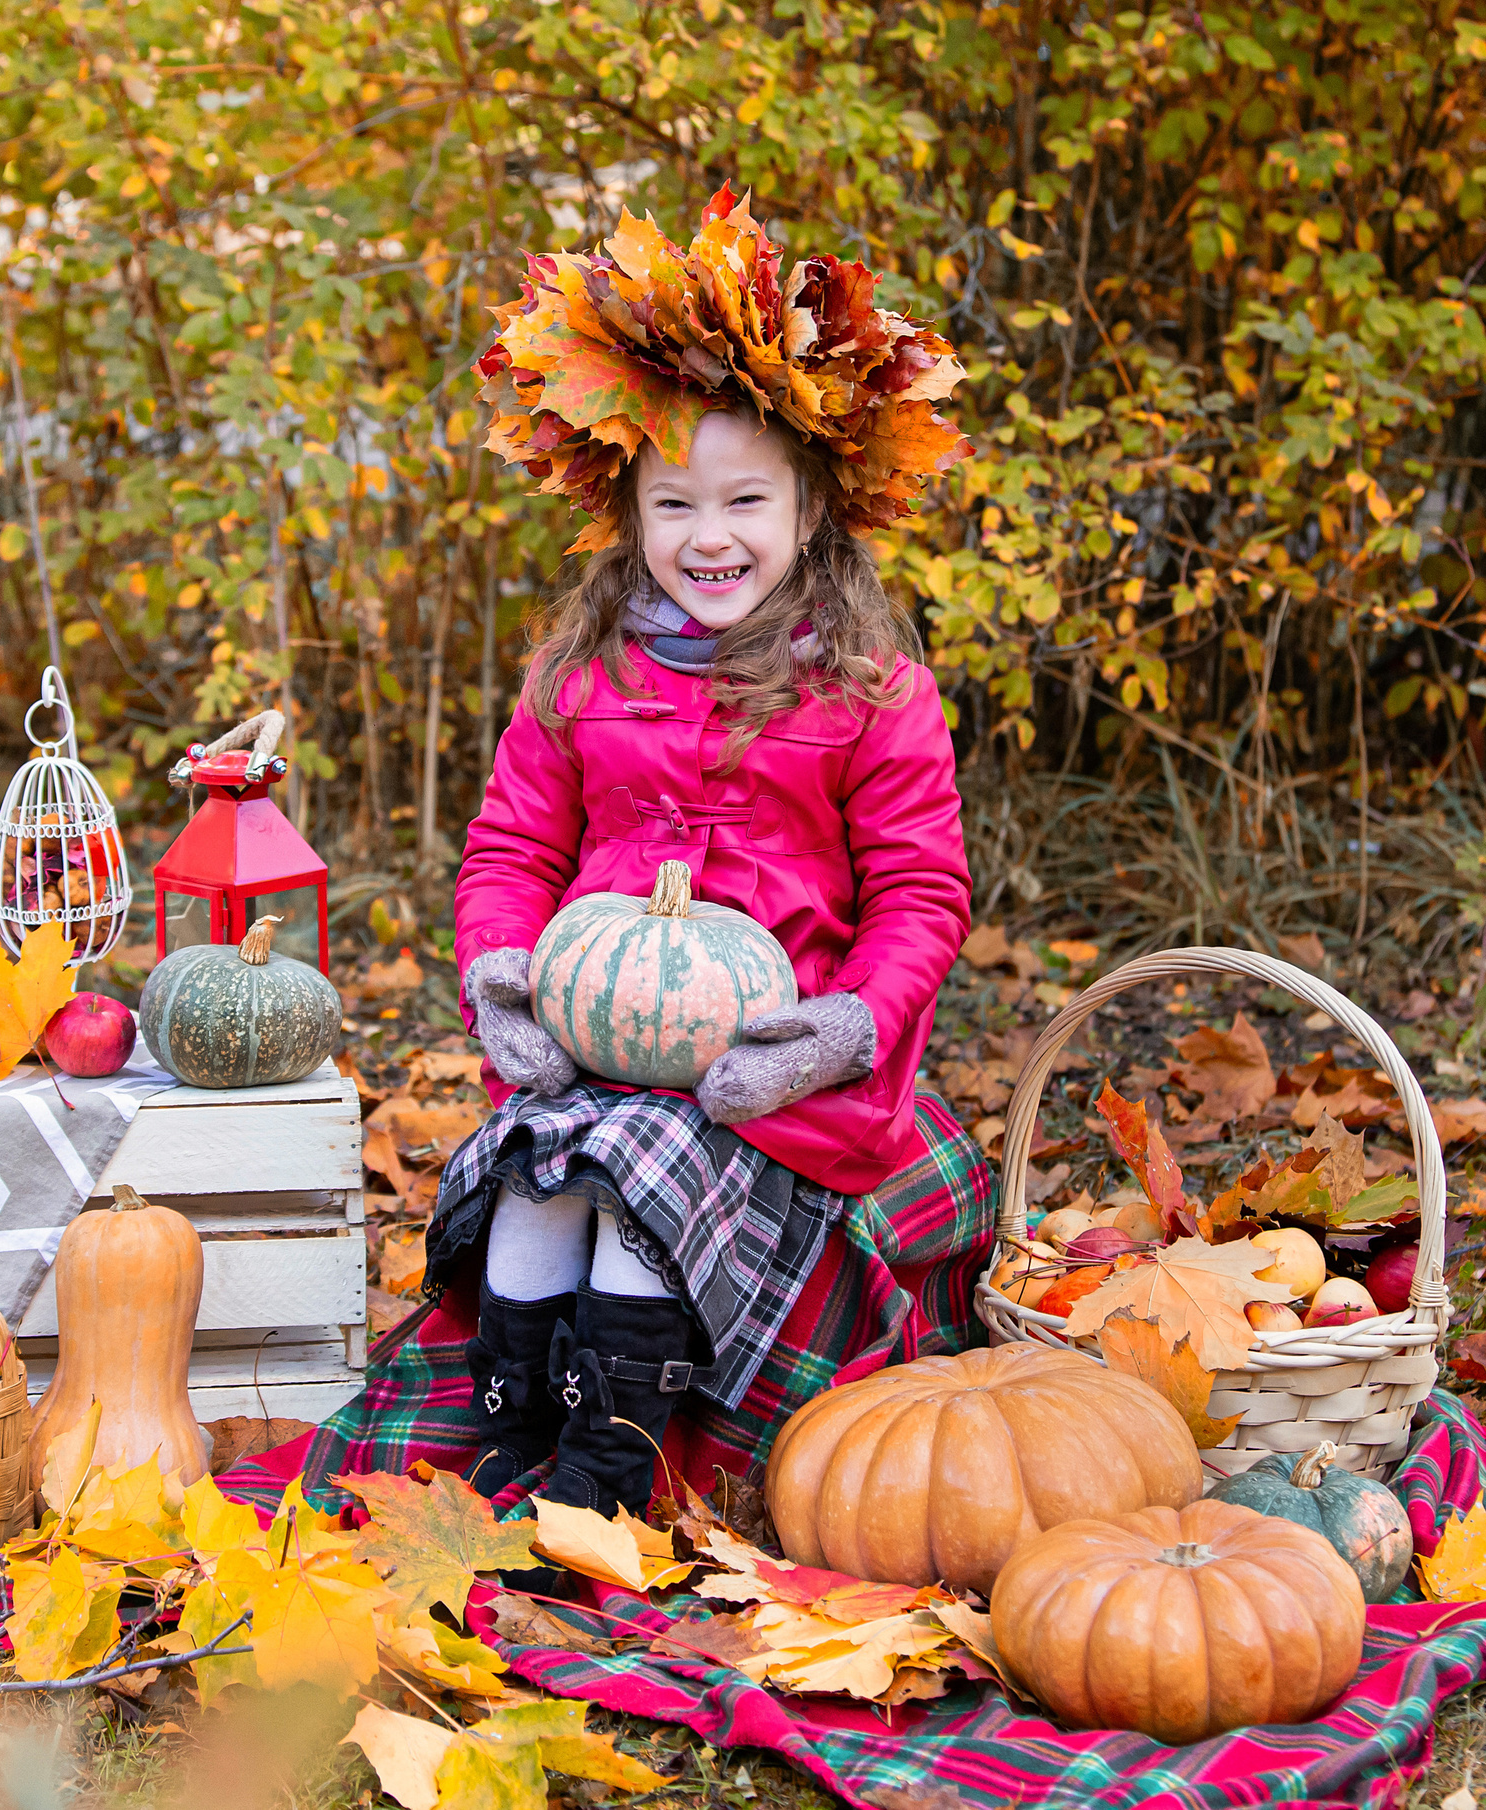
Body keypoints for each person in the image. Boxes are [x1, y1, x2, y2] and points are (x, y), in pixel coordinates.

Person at [427, 187, 988, 1521]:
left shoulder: (871, 692)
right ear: (631, 514)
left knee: (632, 1204)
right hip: (603, 1041)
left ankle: (611, 1487)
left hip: (772, 1075)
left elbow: (921, 894)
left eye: (747, 498)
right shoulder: (581, 678)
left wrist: (840, 1027)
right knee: (535, 1190)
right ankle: (511, 1454)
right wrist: (503, 978)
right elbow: (508, 850)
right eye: (677, 503)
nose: (712, 535)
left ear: (813, 509)